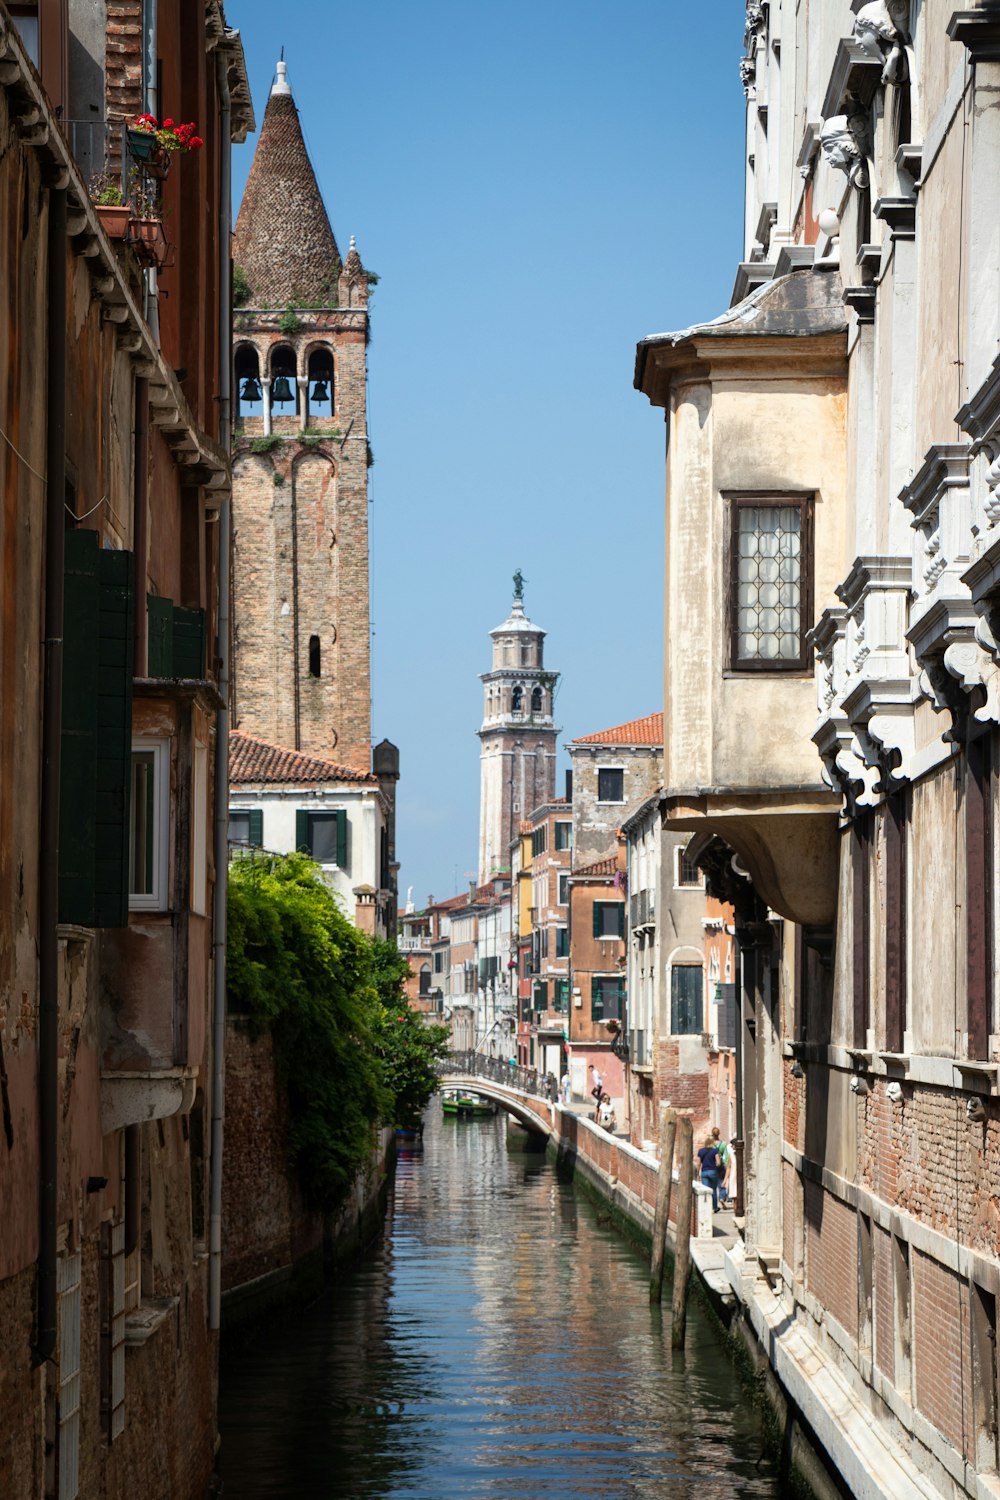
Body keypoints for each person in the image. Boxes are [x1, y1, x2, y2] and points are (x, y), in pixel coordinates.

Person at [697, 1136, 723, 1213]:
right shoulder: (714, 1151)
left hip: (704, 1172)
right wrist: (715, 1165)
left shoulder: (700, 1151)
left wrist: (698, 1173)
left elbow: (698, 1163)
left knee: (705, 1190)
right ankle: (714, 1207)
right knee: (713, 1190)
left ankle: (706, 1207)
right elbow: (718, 1163)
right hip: (712, 1172)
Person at [712, 1127, 732, 1207]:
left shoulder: (710, 1144)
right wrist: (726, 1165)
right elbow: (726, 1156)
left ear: (712, 1134)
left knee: (713, 1185)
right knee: (722, 1183)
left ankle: (714, 1203)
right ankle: (721, 1198)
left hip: (712, 1165)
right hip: (721, 1165)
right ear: (719, 1133)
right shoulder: (723, 1144)